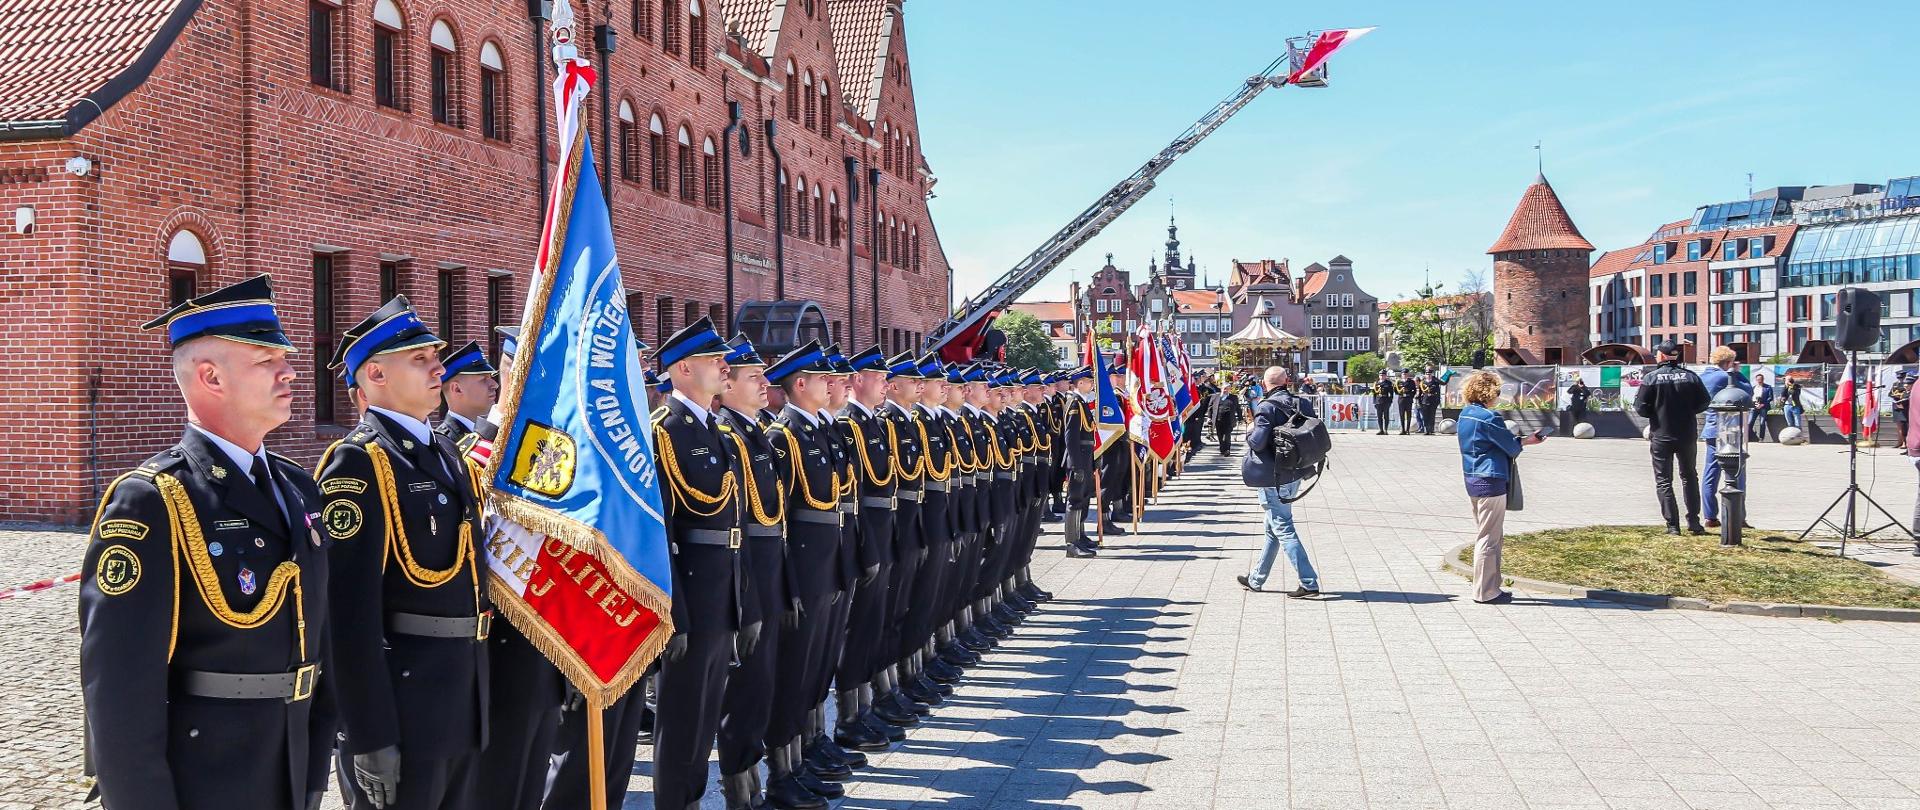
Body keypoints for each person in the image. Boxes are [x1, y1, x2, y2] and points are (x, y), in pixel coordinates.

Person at [81, 276, 333, 810]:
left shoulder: (298, 488)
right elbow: (119, 695)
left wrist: (312, 772)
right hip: (205, 781)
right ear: (210, 376)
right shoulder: (153, 501)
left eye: (285, 357)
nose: (290, 370)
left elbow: (316, 648)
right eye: (267, 360)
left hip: (286, 770)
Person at [322, 296, 489, 810]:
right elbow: (346, 617)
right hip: (405, 706)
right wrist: (368, 733)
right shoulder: (357, 462)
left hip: (461, 697)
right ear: (375, 374)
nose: (439, 368)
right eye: (420, 359)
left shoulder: (444, 452)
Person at [648, 317, 755, 810]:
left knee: (706, 712)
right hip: (691, 594)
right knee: (683, 719)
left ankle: (691, 798)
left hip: (721, 592)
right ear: (683, 369)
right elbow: (663, 532)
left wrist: (744, 599)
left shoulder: (717, 432)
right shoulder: (665, 432)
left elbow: (736, 526)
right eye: (714, 360)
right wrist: (675, 613)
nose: (724, 366)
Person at [1456, 371, 1544, 605]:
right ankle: (1485, 591)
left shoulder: (1465, 415)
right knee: (1489, 538)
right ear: (1489, 392)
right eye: (1496, 392)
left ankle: (1490, 586)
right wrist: (1528, 441)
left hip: (1472, 479)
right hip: (1491, 480)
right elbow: (1510, 447)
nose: (1497, 396)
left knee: (1487, 533)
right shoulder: (1489, 417)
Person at [1236, 366, 1322, 597]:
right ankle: (1256, 579)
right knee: (1273, 527)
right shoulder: (1301, 403)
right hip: (1296, 471)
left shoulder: (1266, 406)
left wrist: (1250, 430)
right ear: (1287, 381)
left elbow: (1258, 442)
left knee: (1282, 527)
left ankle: (1309, 581)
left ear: (1265, 385)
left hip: (1273, 475)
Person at [1636, 340, 1711, 535]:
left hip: (1661, 434)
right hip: (1686, 434)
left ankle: (1672, 526)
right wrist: (1687, 411)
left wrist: (1657, 412)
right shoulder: (1691, 377)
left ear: (1660, 356)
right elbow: (1704, 402)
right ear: (1676, 357)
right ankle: (1694, 522)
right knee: (1689, 477)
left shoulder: (1651, 378)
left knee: (1664, 480)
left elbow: (1641, 408)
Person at [1698, 346, 1752, 529]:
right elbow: (1747, 392)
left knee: (1710, 474)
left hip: (1710, 428)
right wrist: (1737, 373)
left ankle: (1709, 516)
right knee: (1736, 472)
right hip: (1729, 429)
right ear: (1728, 362)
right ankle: (1738, 516)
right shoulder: (1725, 376)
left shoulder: (1703, 376)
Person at [1211, 385, 1241, 455]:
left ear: (1230, 389)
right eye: (1224, 389)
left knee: (1227, 435)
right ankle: (1222, 448)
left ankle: (1227, 449)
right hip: (1218, 419)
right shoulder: (1216, 397)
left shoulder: (1233, 397)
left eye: (1227, 389)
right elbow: (1211, 408)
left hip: (1229, 420)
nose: (1226, 390)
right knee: (1220, 435)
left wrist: (1240, 418)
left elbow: (1238, 408)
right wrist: (1210, 418)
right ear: (1221, 389)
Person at [1750, 373, 1775, 442]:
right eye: (1758, 379)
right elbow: (1751, 397)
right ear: (1756, 379)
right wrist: (1753, 404)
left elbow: (1770, 397)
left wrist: (1762, 404)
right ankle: (1750, 437)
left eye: (1760, 379)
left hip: (1763, 406)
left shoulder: (1768, 387)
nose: (1759, 380)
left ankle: (1761, 438)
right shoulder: (1753, 387)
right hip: (1754, 406)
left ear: (1763, 379)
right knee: (1750, 422)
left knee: (1762, 422)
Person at [1419, 367, 1443, 436]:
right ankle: (1426, 430)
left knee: (1432, 416)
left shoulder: (1435, 382)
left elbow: (1438, 392)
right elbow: (1420, 393)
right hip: (1425, 401)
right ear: (1425, 374)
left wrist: (1438, 401)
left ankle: (1431, 430)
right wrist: (1420, 402)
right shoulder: (1423, 382)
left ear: (1431, 374)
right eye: (1427, 374)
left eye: (1429, 374)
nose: (1428, 375)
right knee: (1425, 416)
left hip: (1433, 401)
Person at [1892, 372, 1912, 448]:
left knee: (1906, 426)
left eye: (1901, 378)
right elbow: (1890, 393)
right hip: (1897, 405)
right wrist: (1895, 396)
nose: (1900, 379)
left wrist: (1900, 397)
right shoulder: (1895, 384)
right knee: (1900, 426)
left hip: (1905, 407)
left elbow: (1907, 395)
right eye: (1898, 378)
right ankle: (1900, 441)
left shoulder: (1907, 383)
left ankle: (1905, 443)